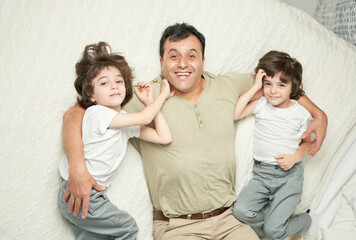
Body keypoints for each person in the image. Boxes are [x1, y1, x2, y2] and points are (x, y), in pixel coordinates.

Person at [62, 23, 328, 240]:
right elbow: (77, 113)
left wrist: (319, 115)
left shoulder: (226, 85)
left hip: (230, 221)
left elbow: (278, 85)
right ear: (161, 61)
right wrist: (77, 169)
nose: (182, 63)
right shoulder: (143, 95)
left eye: (191, 55)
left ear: (202, 60)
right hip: (178, 227)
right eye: (173, 55)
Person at [58, 42, 174, 240]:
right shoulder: (97, 114)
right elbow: (145, 117)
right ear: (90, 94)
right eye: (103, 83)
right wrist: (162, 95)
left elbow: (164, 137)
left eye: (119, 81)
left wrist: (149, 103)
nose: (113, 86)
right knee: (127, 228)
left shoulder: (123, 121)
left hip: (87, 196)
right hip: (80, 191)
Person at [232, 51, 315, 240]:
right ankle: (276, 229)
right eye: (268, 84)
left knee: (272, 231)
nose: (273, 91)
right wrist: (255, 88)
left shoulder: (300, 112)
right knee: (240, 211)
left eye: (281, 85)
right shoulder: (261, 104)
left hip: (288, 176)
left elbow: (307, 142)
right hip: (262, 175)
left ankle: (307, 221)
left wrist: (294, 157)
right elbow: (235, 114)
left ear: (293, 86)